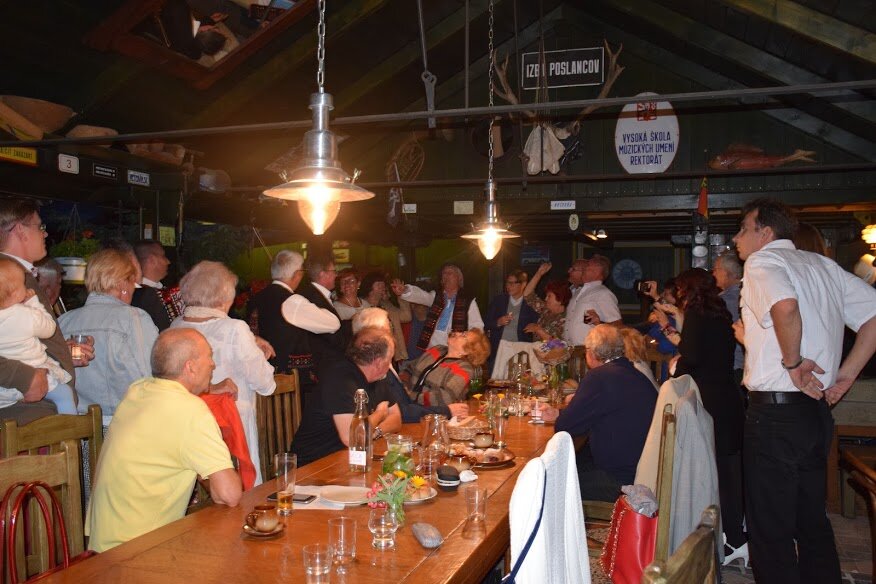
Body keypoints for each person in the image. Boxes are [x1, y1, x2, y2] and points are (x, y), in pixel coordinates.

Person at [732, 198, 876, 584]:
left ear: (765, 233)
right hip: (815, 413)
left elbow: (786, 308)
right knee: (811, 521)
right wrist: (846, 375)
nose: (736, 238)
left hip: (775, 415)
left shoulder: (762, 262)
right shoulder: (822, 265)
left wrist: (793, 363)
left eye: (743, 229)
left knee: (770, 528)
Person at [86, 328, 242, 553]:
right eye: (209, 356)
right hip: (138, 552)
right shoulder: (190, 410)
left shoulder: (138, 389)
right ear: (190, 367)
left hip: (101, 546)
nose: (213, 364)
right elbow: (229, 495)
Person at [170, 260, 276, 485]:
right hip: (230, 427)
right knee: (239, 489)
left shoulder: (175, 326)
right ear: (223, 297)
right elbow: (266, 384)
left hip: (185, 426)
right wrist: (260, 355)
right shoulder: (234, 329)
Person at [671, 268, 746, 556]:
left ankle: (732, 538)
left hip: (710, 400)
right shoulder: (720, 312)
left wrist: (676, 368)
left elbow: (692, 355)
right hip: (728, 396)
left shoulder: (696, 314)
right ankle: (735, 533)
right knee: (729, 472)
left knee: (714, 472)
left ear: (687, 289)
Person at [0, 199, 92, 425]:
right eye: (40, 226)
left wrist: (60, 353)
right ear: (20, 231)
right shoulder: (5, 278)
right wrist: (23, 376)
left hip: (32, 412)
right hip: (23, 416)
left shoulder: (19, 275)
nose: (45, 233)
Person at [542, 325, 656, 501]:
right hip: (640, 469)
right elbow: (602, 410)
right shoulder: (632, 372)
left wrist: (563, 415)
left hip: (620, 480)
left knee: (545, 480)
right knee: (573, 461)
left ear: (592, 353)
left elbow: (565, 426)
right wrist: (559, 412)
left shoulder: (599, 376)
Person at [59, 249, 159, 427]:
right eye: (133, 283)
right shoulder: (133, 318)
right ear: (123, 283)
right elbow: (151, 375)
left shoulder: (63, 321)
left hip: (77, 429)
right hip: (125, 427)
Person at [291, 327, 402, 467]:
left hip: (345, 459)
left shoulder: (377, 378)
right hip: (312, 467)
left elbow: (396, 419)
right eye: (389, 359)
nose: (390, 364)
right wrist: (380, 414)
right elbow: (352, 438)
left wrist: (374, 432)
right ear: (379, 362)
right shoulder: (340, 379)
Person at [353, 307, 468, 422]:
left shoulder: (464, 366)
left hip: (417, 412)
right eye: (389, 327)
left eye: (464, 335)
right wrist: (445, 411)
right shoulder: (376, 367)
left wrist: (409, 392)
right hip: (410, 418)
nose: (392, 331)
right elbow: (399, 410)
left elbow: (444, 397)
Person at [247, 250, 340, 379]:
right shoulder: (292, 301)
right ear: (297, 274)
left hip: (260, 373)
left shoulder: (256, 298)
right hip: (290, 378)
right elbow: (333, 324)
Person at [0, 259, 76, 413]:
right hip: (33, 374)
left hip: (4, 390)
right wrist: (33, 302)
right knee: (65, 394)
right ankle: (71, 426)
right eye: (23, 284)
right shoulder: (24, 314)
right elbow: (49, 328)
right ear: (16, 293)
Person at [393, 263, 484, 350]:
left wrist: (466, 344)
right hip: (433, 348)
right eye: (444, 273)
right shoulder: (436, 296)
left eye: (450, 273)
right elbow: (421, 296)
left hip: (454, 350)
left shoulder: (468, 301)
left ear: (459, 278)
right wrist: (405, 290)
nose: (446, 275)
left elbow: (477, 327)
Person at [400, 328, 490, 410]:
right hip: (407, 404)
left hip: (433, 414)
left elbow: (445, 398)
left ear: (466, 351)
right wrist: (403, 385)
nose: (457, 332)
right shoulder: (437, 349)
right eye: (462, 332)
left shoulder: (464, 369)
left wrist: (411, 396)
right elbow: (410, 367)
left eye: (463, 336)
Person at [483, 268, 539, 375]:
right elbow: (486, 323)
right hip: (498, 352)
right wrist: (498, 322)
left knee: (520, 381)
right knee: (495, 381)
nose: (508, 286)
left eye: (512, 283)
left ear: (523, 284)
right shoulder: (499, 301)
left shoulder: (530, 304)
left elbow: (537, 325)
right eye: (507, 283)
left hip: (521, 352)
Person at [297, 253, 348, 366]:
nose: (336, 275)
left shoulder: (316, 294)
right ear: (323, 274)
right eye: (334, 271)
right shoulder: (312, 298)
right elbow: (330, 334)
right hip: (325, 362)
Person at [563, 255, 622, 346]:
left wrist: (599, 323)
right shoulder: (578, 292)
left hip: (589, 349)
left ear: (597, 272)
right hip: (570, 348)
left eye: (586, 268)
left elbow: (618, 326)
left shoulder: (603, 293)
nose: (583, 270)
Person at [360, 271, 411, 364]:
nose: (382, 286)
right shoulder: (361, 308)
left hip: (391, 356)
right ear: (369, 286)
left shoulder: (387, 306)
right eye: (378, 283)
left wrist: (401, 294)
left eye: (383, 283)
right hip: (372, 357)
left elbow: (406, 316)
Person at [712, 251, 745, 385]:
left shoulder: (722, 301)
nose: (713, 274)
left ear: (727, 272)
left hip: (731, 366)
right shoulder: (748, 293)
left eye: (716, 269)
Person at [131, 240, 174, 331]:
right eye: (163, 256)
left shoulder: (162, 290)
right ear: (152, 260)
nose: (168, 261)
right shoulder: (141, 295)